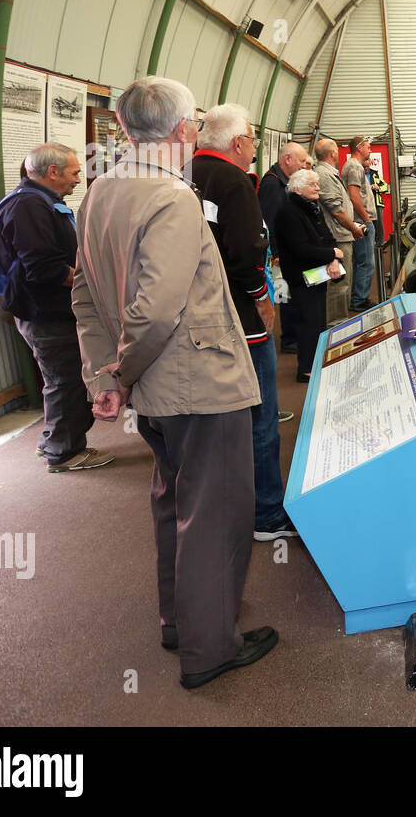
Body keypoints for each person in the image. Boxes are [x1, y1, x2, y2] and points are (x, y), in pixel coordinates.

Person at [71, 75, 277, 689]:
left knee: (173, 503)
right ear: (184, 129)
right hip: (198, 386)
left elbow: (84, 295)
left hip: (154, 394)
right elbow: (158, 311)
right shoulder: (172, 198)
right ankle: (209, 648)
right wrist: (122, 369)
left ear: (126, 129)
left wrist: (104, 374)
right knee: (217, 513)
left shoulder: (99, 192)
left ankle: (181, 620)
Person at [192, 104, 296, 542]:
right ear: (238, 143)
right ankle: (267, 513)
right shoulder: (234, 182)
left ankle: (226, 506)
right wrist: (262, 300)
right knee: (261, 416)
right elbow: (246, 252)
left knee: (219, 420)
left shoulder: (186, 173)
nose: (254, 150)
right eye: (252, 140)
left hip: (200, 315)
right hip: (240, 316)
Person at [0, 143, 112, 473]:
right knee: (65, 381)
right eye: (75, 172)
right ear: (53, 172)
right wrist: (88, 284)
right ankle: (63, 453)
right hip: (45, 313)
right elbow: (43, 267)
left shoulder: (41, 201)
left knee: (60, 379)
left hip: (52, 311)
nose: (79, 179)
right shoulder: (29, 205)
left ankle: (53, 439)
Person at [272, 169, 345, 382]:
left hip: (317, 273)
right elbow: (299, 249)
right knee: (308, 323)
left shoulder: (312, 207)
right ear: (297, 188)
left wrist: (333, 259)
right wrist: (332, 253)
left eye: (317, 184)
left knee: (318, 322)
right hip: (301, 276)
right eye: (313, 184)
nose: (318, 188)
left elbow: (327, 237)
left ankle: (316, 362)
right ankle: (306, 370)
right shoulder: (288, 212)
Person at [259, 141, 309, 354]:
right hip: (280, 255)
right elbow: (269, 222)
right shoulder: (272, 184)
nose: (304, 165)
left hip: (287, 252)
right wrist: (276, 254)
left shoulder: (283, 181)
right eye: (301, 161)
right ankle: (289, 340)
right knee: (285, 295)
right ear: (287, 159)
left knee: (290, 296)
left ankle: (292, 336)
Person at [312, 137, 362, 323]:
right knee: (338, 284)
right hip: (337, 237)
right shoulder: (324, 175)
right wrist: (354, 228)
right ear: (333, 153)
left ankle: (338, 321)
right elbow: (337, 211)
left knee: (342, 283)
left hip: (340, 234)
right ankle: (336, 325)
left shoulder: (329, 173)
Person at [341, 135, 376, 311]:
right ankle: (359, 300)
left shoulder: (354, 166)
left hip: (358, 220)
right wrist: (367, 219)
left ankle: (358, 297)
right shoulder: (355, 167)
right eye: (368, 147)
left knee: (360, 261)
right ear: (359, 147)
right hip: (361, 220)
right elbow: (354, 196)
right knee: (366, 262)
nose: (370, 151)